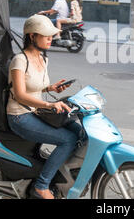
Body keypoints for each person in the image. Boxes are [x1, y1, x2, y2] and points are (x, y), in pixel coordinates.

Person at [6, 14, 82, 199]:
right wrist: (49, 103)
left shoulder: (43, 58)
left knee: (79, 132)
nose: (51, 38)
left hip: (36, 112)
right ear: (32, 36)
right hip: (20, 116)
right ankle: (42, 185)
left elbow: (35, 87)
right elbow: (20, 94)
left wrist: (52, 88)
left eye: (51, 35)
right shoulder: (20, 60)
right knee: (68, 140)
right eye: (46, 35)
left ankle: (62, 173)